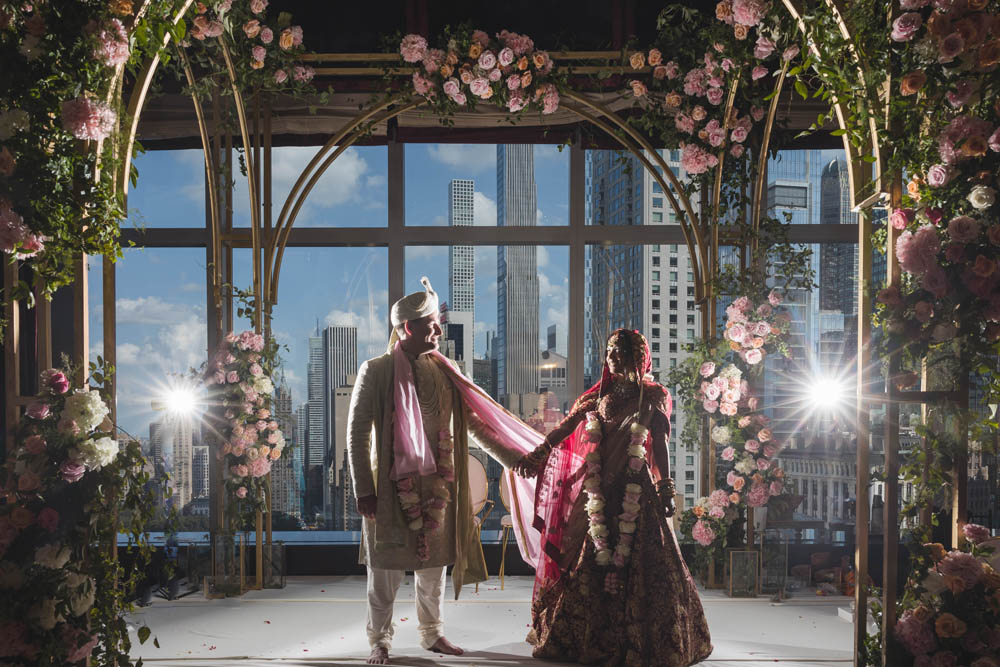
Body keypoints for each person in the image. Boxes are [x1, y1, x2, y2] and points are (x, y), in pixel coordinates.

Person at [347, 277, 540, 665]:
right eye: (431, 323)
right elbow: (357, 433)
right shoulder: (376, 370)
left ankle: (432, 634)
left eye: (438, 322)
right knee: (384, 571)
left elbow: (476, 426)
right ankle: (379, 640)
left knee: (432, 570)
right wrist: (363, 490)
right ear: (408, 328)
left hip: (436, 488)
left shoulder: (446, 373)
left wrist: (516, 459)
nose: (438, 329)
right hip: (387, 491)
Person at [516, 328, 713, 666]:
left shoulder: (652, 396)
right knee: (589, 559)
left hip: (638, 494)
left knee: (652, 566)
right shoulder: (597, 396)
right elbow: (565, 429)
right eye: (613, 356)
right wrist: (538, 453)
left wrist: (666, 486)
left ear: (641, 359)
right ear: (607, 360)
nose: (618, 361)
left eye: (626, 356)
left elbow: (661, 444)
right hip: (600, 494)